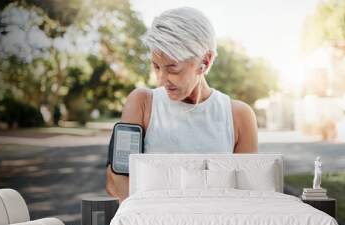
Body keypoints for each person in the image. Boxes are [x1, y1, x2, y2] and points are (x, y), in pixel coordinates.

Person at [106, 7, 258, 202]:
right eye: (156, 66)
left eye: (173, 68)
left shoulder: (239, 116)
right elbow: (114, 180)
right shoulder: (142, 103)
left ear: (206, 61)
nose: (161, 80)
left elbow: (248, 195)